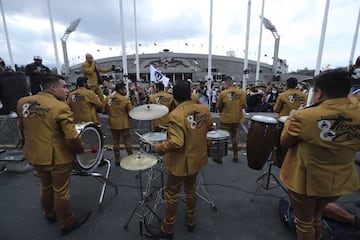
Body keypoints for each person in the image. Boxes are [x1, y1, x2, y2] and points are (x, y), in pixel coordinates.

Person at [279, 68, 360, 240]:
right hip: (340, 180)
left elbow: (285, 143)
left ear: (319, 93)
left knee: (304, 222)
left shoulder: (304, 117)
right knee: (316, 215)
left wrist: (292, 118)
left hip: (307, 181)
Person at [16, 74, 91, 235]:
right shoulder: (60, 107)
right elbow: (71, 136)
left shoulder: (22, 102)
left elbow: (21, 125)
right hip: (57, 156)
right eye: (64, 87)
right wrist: (80, 150)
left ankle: (49, 214)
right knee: (61, 191)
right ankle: (67, 222)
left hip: (35, 154)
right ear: (53, 88)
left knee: (46, 186)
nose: (66, 90)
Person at [147, 80, 214, 239]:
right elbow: (210, 128)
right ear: (191, 93)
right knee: (190, 189)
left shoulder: (176, 114)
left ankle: (167, 228)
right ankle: (191, 220)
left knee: (172, 193)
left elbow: (177, 142)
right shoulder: (204, 109)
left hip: (180, 162)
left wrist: (158, 148)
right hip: (197, 158)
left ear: (174, 98)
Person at [215, 76, 247, 163]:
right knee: (234, 137)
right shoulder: (242, 93)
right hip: (237, 118)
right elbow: (244, 105)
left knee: (222, 138)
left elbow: (218, 106)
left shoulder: (223, 93)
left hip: (225, 119)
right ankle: (235, 155)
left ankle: (219, 157)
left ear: (226, 83)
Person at [104, 82, 133, 166]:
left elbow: (105, 110)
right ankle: (130, 158)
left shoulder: (108, 98)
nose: (126, 90)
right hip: (124, 123)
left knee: (115, 141)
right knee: (127, 141)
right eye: (124, 88)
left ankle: (117, 159)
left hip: (112, 123)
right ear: (120, 89)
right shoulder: (125, 99)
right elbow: (131, 112)